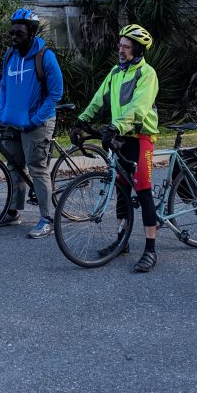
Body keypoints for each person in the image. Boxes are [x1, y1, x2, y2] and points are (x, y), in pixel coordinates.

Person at [72, 24, 160, 272]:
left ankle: (151, 250)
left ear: (138, 49)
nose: (121, 50)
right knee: (121, 187)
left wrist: (116, 126)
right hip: (120, 137)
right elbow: (99, 99)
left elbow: (139, 108)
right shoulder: (115, 72)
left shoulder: (147, 74)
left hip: (141, 137)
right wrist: (82, 121)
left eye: (126, 46)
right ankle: (122, 241)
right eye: (120, 45)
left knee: (143, 190)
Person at [0, 9, 64, 239]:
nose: (14, 37)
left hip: (37, 122)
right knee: (14, 166)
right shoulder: (10, 55)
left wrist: (36, 119)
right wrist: (2, 111)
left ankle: (47, 218)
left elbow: (56, 93)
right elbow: (3, 85)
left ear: (32, 32)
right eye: (12, 32)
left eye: (19, 33)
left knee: (37, 168)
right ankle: (14, 213)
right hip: (12, 121)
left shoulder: (45, 56)